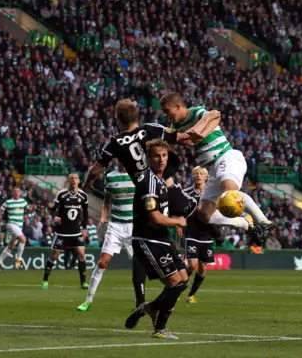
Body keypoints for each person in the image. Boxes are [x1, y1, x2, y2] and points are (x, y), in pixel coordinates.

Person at [81, 99, 189, 309]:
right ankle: (150, 306)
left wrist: (87, 184)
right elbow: (184, 138)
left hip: (143, 191)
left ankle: (147, 305)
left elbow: (95, 170)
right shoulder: (150, 129)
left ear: (118, 119)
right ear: (136, 115)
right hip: (161, 186)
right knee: (172, 269)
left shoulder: (115, 141)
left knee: (152, 246)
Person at [159, 92, 270, 243]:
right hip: (210, 169)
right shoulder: (175, 127)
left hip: (225, 156)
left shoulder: (195, 112)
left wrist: (199, 131)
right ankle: (246, 223)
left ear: (178, 107)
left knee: (230, 192)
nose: (166, 115)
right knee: (204, 214)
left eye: (167, 110)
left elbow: (214, 115)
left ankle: (264, 221)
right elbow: (178, 142)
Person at [124, 139, 189, 339]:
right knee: (175, 282)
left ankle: (150, 307)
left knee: (184, 280)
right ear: (148, 158)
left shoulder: (161, 180)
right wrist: (177, 221)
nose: (161, 160)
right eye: (156, 156)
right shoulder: (148, 181)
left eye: (164, 155)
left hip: (161, 239)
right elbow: (154, 217)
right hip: (147, 239)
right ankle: (159, 328)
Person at [78, 165, 135, 311]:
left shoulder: (137, 174)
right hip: (115, 225)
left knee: (143, 264)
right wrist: (103, 216)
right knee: (102, 262)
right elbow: (107, 200)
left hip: (133, 227)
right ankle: (88, 300)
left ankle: (171, 287)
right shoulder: (110, 177)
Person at [42, 173, 89, 289]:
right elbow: (52, 209)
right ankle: (45, 280)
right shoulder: (61, 194)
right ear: (68, 181)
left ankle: (83, 282)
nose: (73, 180)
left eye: (76, 178)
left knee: (82, 254)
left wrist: (84, 228)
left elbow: (86, 213)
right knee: (54, 255)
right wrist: (55, 216)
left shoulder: (83, 195)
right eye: (71, 178)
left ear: (79, 181)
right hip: (62, 231)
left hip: (76, 231)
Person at [181, 166, 216, 303]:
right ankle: (178, 287)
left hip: (207, 234)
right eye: (196, 173)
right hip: (192, 232)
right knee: (192, 265)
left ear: (206, 177)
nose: (198, 176)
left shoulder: (212, 193)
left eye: (201, 174)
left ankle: (191, 294)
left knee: (203, 267)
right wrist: (179, 223)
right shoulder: (186, 192)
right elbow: (180, 209)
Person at [0, 187, 28, 271]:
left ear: (20, 193)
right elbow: (0, 211)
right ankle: (18, 260)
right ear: (12, 193)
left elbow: (28, 209)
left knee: (11, 245)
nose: (16, 193)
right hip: (11, 224)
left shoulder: (23, 201)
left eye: (18, 191)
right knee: (23, 240)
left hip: (20, 226)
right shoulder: (8, 202)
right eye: (15, 191)